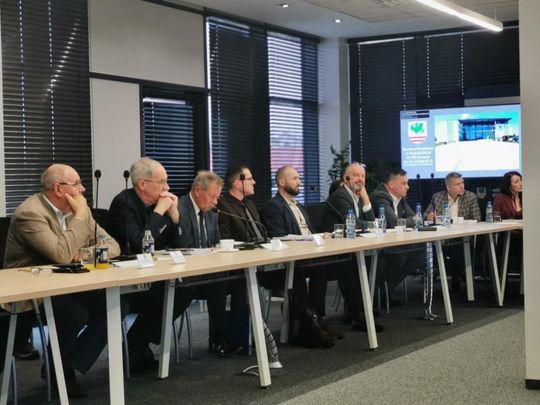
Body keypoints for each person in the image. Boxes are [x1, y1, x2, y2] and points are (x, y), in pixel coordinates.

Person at [4, 163, 120, 398]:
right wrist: (80, 217)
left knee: (115, 306)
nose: (83, 189)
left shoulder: (79, 211)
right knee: (74, 314)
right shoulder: (30, 213)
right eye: (77, 184)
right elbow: (61, 255)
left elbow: (113, 246)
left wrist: (83, 253)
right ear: (59, 189)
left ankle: (64, 364)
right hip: (31, 290)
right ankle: (60, 371)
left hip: (67, 284)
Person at [109, 157, 193, 372]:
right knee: (165, 294)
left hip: (153, 274)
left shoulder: (160, 205)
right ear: (143, 184)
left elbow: (182, 246)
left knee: (183, 291)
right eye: (162, 182)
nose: (167, 187)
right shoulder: (123, 203)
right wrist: (158, 213)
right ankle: (135, 347)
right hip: (126, 279)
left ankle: (137, 343)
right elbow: (140, 245)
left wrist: (175, 217)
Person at [261, 166, 341, 347]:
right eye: (295, 178)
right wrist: (308, 239)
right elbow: (278, 236)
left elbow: (309, 232)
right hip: (286, 262)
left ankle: (316, 320)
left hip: (307, 257)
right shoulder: (273, 206)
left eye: (299, 178)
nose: (299, 182)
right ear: (282, 182)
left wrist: (321, 236)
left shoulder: (298, 206)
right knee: (305, 272)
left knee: (322, 267)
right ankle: (305, 326)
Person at [320, 163, 383, 331]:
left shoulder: (356, 197)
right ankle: (359, 312)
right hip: (331, 250)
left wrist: (366, 200)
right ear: (346, 178)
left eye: (362, 176)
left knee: (372, 262)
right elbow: (354, 223)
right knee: (351, 265)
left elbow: (370, 221)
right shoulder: (341, 196)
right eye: (355, 175)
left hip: (348, 247)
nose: (360, 179)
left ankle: (359, 309)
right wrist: (372, 224)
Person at [215, 165, 262, 351]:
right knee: (244, 283)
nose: (254, 182)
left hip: (259, 257)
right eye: (249, 179)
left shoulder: (250, 204)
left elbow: (260, 232)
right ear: (237, 183)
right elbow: (224, 238)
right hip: (235, 265)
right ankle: (241, 339)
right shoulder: (223, 205)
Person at [424, 172, 481, 291]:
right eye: (457, 184)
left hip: (463, 236)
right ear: (448, 187)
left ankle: (455, 276)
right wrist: (429, 217)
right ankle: (454, 275)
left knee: (456, 249)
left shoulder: (470, 196)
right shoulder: (437, 197)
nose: (462, 186)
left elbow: (477, 219)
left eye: (462, 183)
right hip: (442, 237)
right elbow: (426, 215)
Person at [371, 168, 420, 303]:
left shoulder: (400, 198)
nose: (407, 187)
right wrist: (411, 221)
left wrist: (409, 220)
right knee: (400, 257)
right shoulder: (380, 196)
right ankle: (378, 293)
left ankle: (385, 290)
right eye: (404, 183)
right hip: (378, 247)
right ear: (391, 185)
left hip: (395, 243)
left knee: (420, 254)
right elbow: (394, 223)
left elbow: (414, 217)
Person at [493, 171, 523, 274]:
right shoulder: (500, 197)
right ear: (509, 186)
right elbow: (495, 217)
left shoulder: (526, 197)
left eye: (521, 180)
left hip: (525, 234)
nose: (521, 183)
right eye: (516, 182)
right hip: (507, 235)